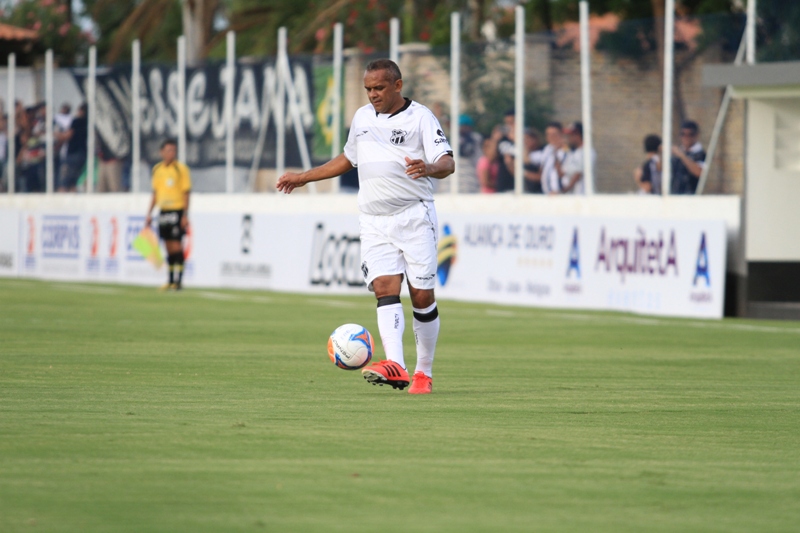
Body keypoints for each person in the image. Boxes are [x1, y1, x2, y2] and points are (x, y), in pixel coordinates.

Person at [277, 58, 454, 395]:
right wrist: (303, 178)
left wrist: (429, 168)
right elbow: (347, 159)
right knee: (385, 289)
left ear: (397, 85)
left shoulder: (420, 118)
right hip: (374, 220)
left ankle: (423, 373)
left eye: (379, 88)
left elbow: (448, 162)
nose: (372, 95)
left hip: (415, 216)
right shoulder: (361, 118)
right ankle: (397, 367)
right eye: (368, 89)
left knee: (421, 296)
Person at [144, 139, 191, 291]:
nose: (172, 153)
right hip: (163, 211)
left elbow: (186, 193)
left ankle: (179, 281)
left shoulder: (180, 169)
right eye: (169, 150)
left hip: (176, 210)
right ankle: (170, 280)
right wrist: (149, 213)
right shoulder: (157, 169)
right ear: (162, 152)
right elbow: (155, 194)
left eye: (174, 150)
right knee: (168, 246)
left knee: (177, 245)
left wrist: (184, 214)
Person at [555, 122, 594, 195]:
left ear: (577, 135)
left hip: (582, 196)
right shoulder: (572, 152)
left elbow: (577, 175)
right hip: (572, 197)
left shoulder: (587, 151)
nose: (568, 138)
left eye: (570, 135)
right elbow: (561, 173)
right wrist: (556, 154)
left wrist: (562, 192)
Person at [57, 103, 87, 192]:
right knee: (74, 182)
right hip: (83, 154)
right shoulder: (88, 122)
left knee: (64, 182)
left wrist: (56, 134)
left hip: (73, 153)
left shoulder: (77, 121)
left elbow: (68, 135)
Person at [671, 120, 705, 194]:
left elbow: (700, 172)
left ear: (696, 135)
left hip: (691, 197)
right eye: (683, 134)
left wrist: (682, 156)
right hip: (675, 196)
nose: (686, 137)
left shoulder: (701, 154)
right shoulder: (676, 154)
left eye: (690, 134)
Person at [540, 121, 568, 194]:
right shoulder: (547, 149)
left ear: (561, 135)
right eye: (548, 134)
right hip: (547, 194)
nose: (551, 137)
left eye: (554, 134)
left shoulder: (566, 150)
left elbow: (563, 173)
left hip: (560, 194)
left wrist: (556, 152)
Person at [457, 114, 482, 193]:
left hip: (470, 180)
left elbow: (466, 150)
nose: (462, 128)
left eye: (465, 126)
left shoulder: (475, 138)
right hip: (453, 183)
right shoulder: (452, 138)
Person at [493, 111, 516, 193]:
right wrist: (495, 139)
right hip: (503, 185)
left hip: (520, 185)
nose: (509, 125)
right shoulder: (502, 139)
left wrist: (516, 139)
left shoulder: (527, 136)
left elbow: (528, 159)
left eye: (512, 122)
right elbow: (491, 158)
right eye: (507, 123)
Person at [523, 129, 544, 194]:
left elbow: (541, 177)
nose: (525, 142)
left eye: (527, 139)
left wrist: (523, 173)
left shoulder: (542, 153)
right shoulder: (527, 153)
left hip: (539, 192)